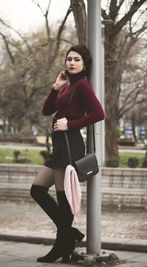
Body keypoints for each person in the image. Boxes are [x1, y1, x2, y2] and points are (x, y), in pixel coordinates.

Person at [30, 44, 104, 263]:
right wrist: (55, 88)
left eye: (76, 59)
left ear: (84, 64)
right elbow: (46, 111)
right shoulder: (67, 85)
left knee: (64, 201)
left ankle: (61, 246)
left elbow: (98, 113)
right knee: (37, 190)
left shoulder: (82, 85)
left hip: (70, 145)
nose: (71, 62)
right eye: (69, 59)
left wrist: (70, 125)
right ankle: (70, 236)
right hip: (59, 147)